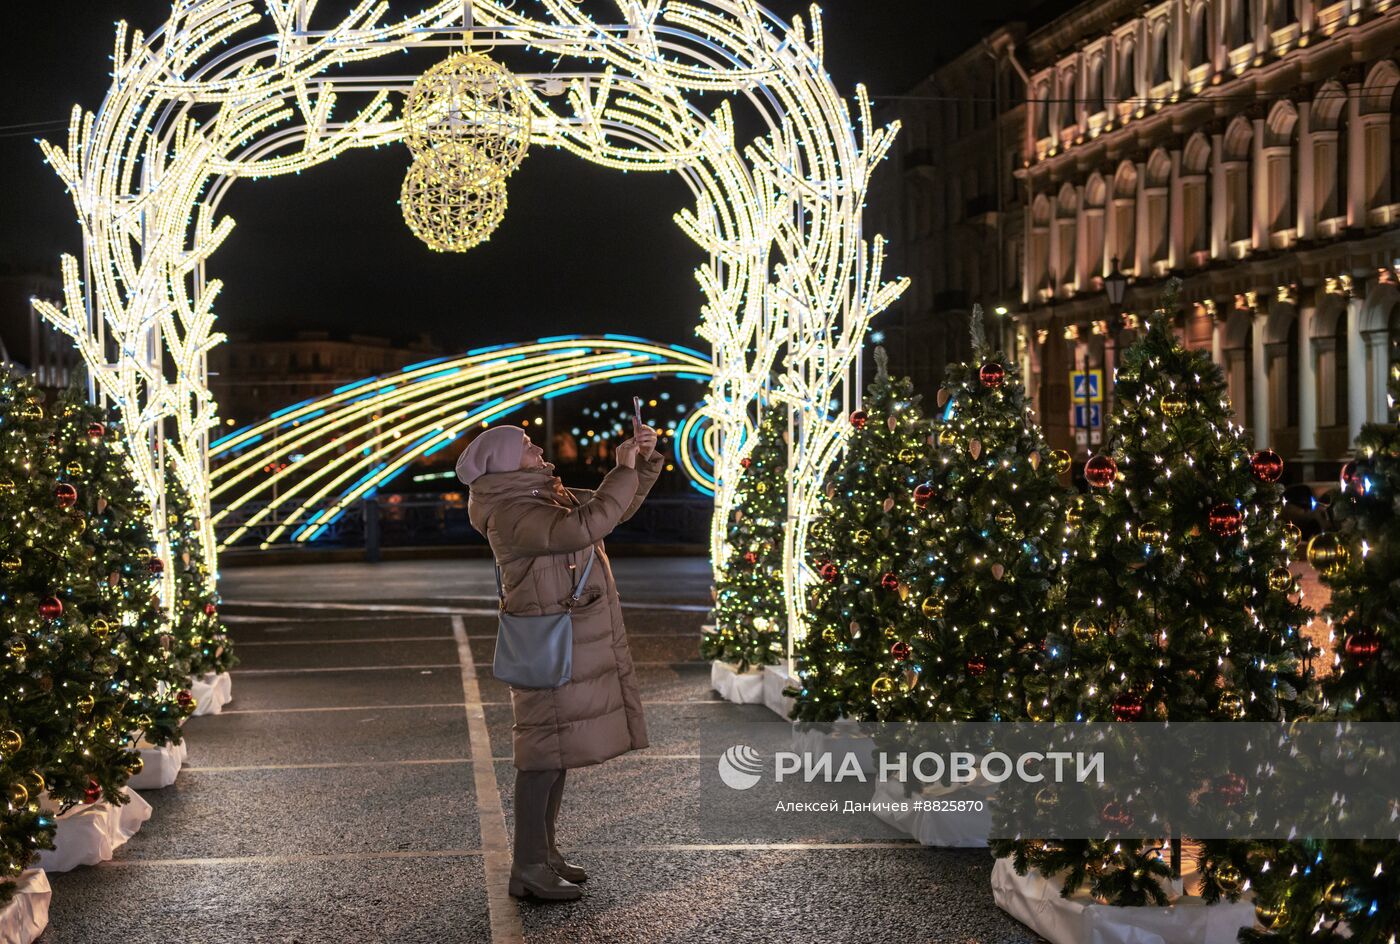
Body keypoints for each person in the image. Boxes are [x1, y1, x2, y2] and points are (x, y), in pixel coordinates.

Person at [457, 418, 663, 900]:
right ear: (506, 463)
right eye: (526, 446)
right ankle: (527, 867)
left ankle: (545, 854)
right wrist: (621, 468)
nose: (536, 449)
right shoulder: (510, 511)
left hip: (567, 636)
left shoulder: (542, 494)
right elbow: (584, 526)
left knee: (557, 753)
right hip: (548, 643)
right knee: (541, 759)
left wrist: (641, 462)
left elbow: (616, 507)